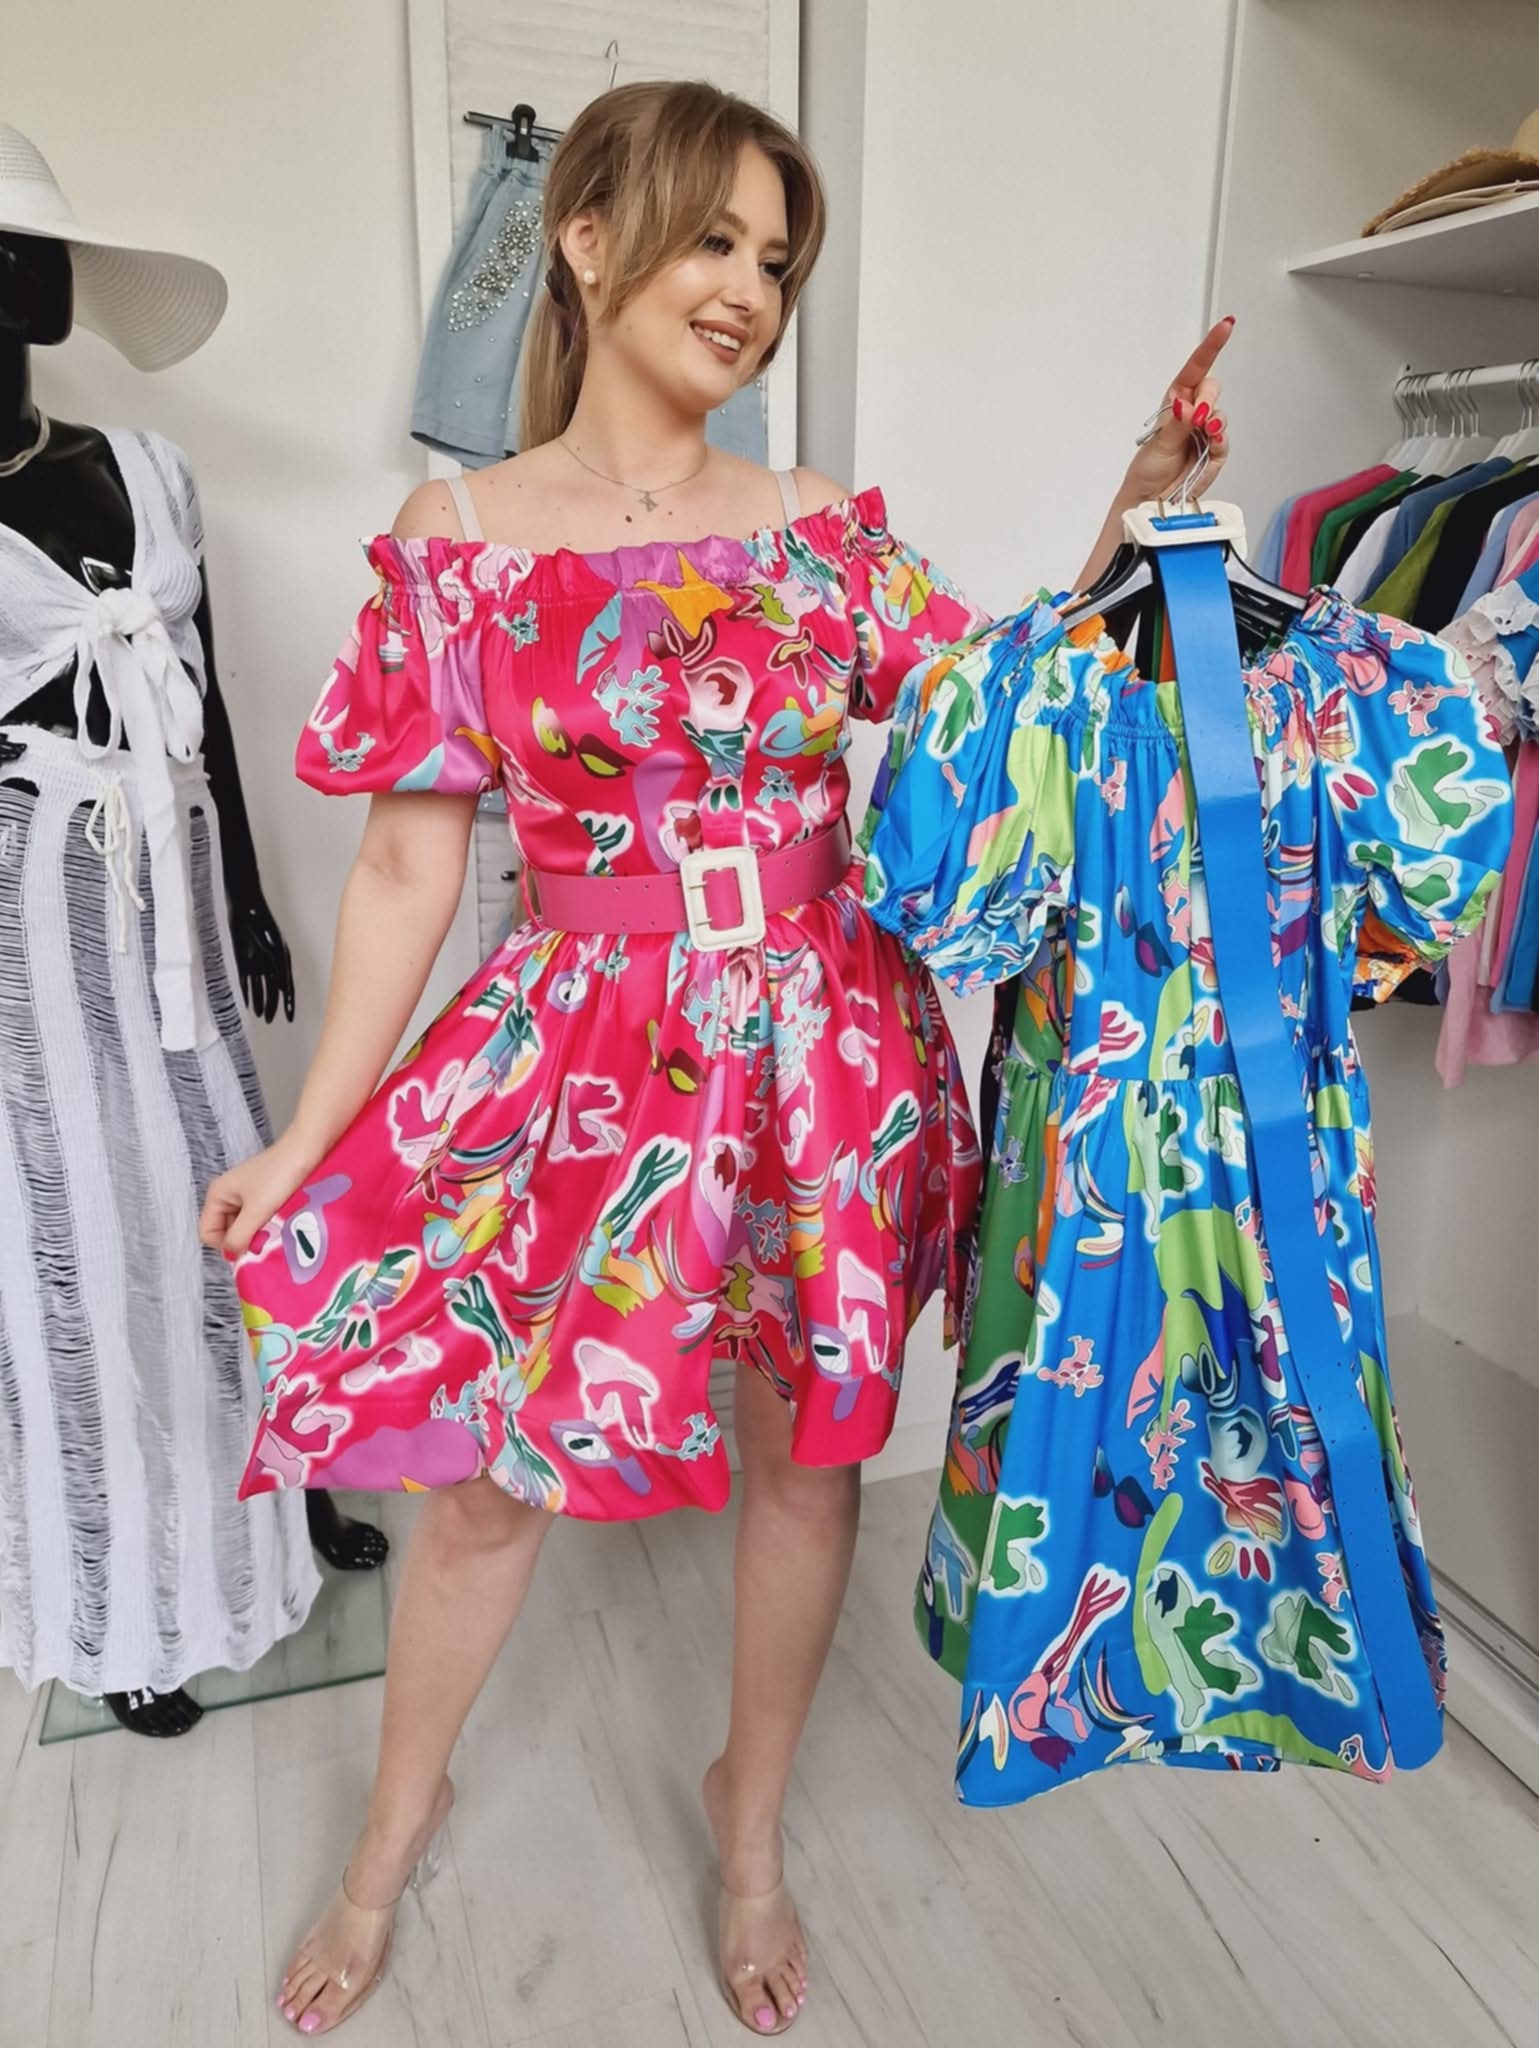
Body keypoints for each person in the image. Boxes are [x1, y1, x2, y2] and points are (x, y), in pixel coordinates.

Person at [199, 78, 1231, 2039]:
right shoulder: (458, 538)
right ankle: (388, 1836)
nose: (749, 286)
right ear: (587, 239)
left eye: (774, 257)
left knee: (812, 1462)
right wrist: (307, 1136)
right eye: (712, 238)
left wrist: (1133, 504)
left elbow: (1004, 710)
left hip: (823, 1057)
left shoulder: (820, 529)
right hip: (583, 1065)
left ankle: (746, 1825)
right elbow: (409, 868)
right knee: (488, 1483)